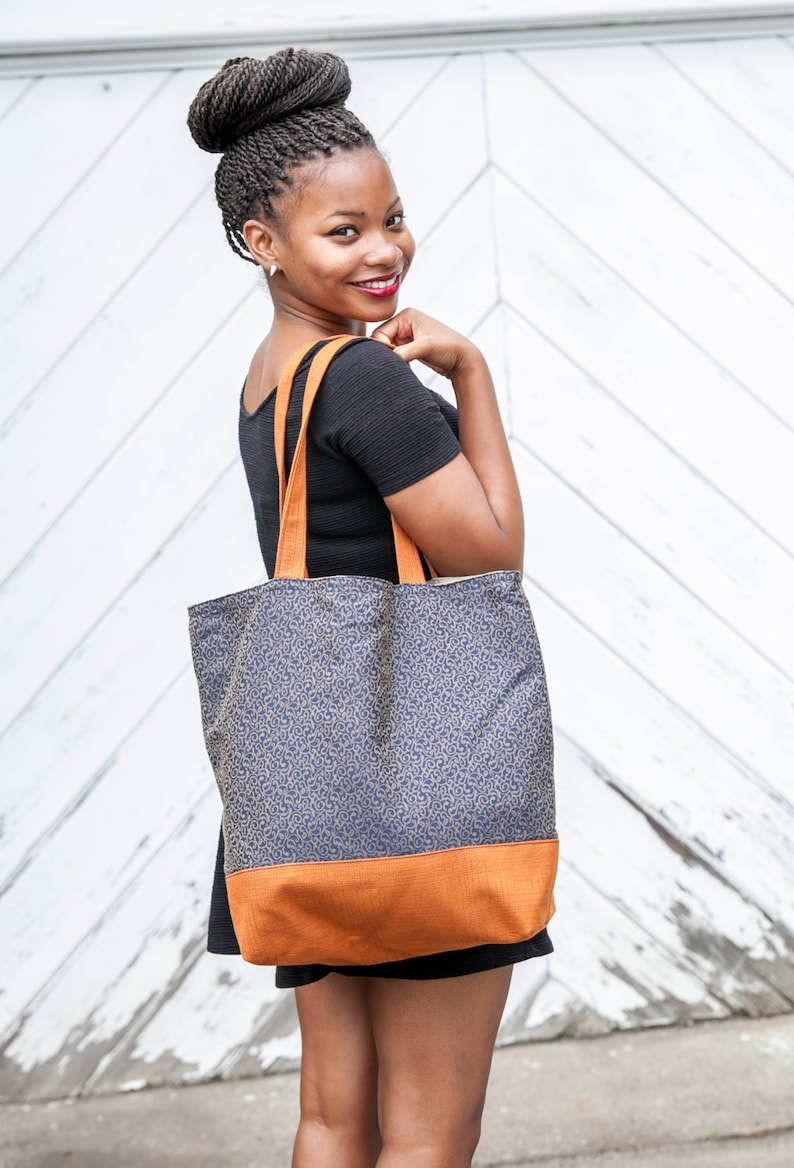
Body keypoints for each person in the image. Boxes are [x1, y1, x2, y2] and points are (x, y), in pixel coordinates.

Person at [188, 48, 553, 1168]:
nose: (385, 249)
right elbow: (487, 556)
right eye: (342, 232)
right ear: (263, 242)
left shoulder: (273, 376)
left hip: (314, 796)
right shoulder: (365, 377)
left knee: (335, 1118)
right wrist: (472, 373)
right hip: (419, 800)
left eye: (392, 218)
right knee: (431, 1133)